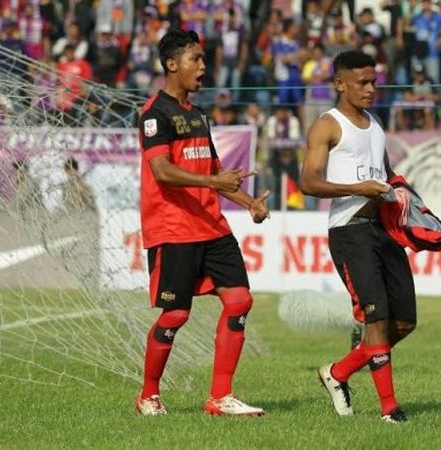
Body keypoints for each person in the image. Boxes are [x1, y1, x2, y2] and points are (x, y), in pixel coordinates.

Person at [136, 29, 270, 417]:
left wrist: (248, 204)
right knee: (175, 315)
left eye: (204, 60)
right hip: (174, 229)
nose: (203, 67)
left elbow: (212, 170)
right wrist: (214, 182)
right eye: (196, 59)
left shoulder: (197, 116)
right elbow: (162, 171)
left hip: (211, 227)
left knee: (240, 300)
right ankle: (148, 395)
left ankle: (220, 397)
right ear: (172, 64)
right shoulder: (153, 113)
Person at [300, 50, 414, 424]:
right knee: (377, 320)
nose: (370, 89)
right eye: (362, 83)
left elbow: (385, 172)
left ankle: (338, 372)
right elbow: (309, 182)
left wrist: (403, 191)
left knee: (405, 321)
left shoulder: (376, 124)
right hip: (349, 232)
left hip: (383, 229)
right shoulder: (327, 125)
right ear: (340, 84)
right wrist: (358, 188)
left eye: (374, 82)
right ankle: (390, 410)